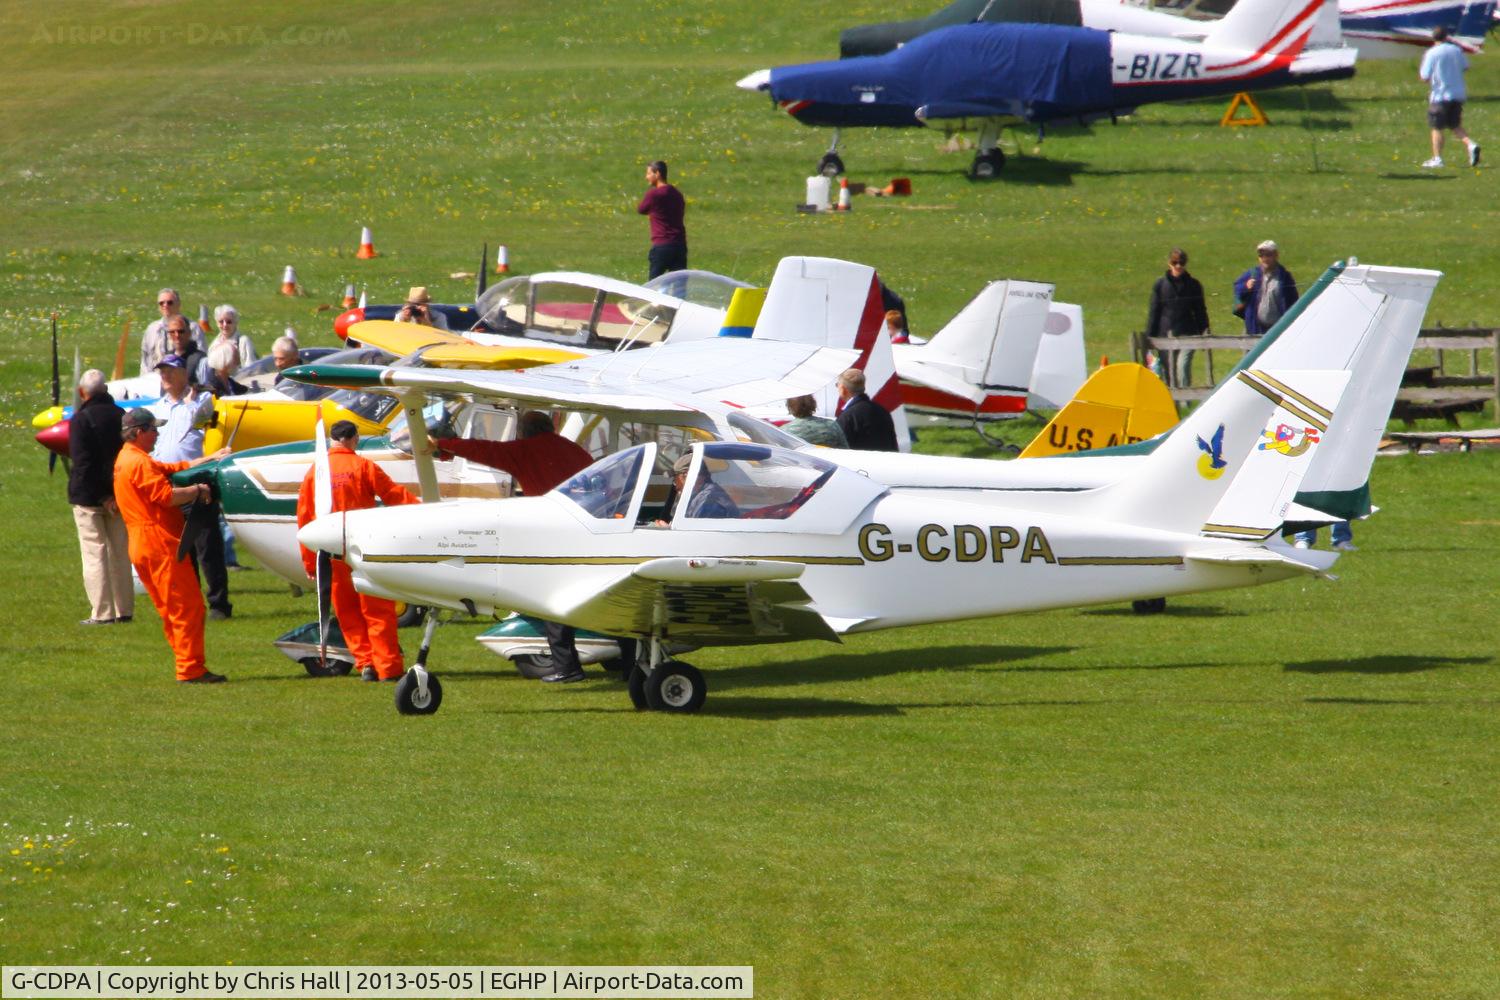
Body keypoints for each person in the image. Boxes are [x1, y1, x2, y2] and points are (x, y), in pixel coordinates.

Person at [434, 411, 599, 683]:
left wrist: (444, 444)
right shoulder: (575, 450)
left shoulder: (524, 450)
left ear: (523, 432)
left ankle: (568, 668)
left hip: (550, 534)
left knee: (552, 601)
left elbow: (485, 450)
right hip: (585, 531)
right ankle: (625, 658)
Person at [296, 421, 420, 682]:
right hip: (363, 549)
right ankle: (388, 667)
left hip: (332, 552)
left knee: (348, 612)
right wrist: (426, 511)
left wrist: (310, 564)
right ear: (353, 439)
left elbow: (305, 520)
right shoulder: (364, 466)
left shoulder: (314, 474)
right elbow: (394, 495)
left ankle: (365, 663)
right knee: (378, 610)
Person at [114, 408, 229, 683]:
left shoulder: (129, 459)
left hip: (142, 542)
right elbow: (166, 497)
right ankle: (190, 668)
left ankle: (187, 663)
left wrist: (210, 458)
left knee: (170, 610)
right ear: (139, 432)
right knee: (187, 607)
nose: (158, 433)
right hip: (159, 542)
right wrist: (198, 491)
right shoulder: (139, 463)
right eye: (154, 429)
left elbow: (172, 469)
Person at [149, 353, 233, 619]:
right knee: (180, 548)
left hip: (196, 478)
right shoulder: (157, 408)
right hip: (167, 481)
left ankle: (219, 604)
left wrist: (189, 404)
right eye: (162, 371)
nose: (165, 375)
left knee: (207, 544)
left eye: (170, 371)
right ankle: (192, 599)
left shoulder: (202, 402)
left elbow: (201, 424)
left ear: (184, 373)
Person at [69, 370, 134, 626]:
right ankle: (124, 609)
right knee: (120, 552)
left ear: (83, 392)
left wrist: (101, 495)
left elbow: (83, 465)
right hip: (119, 494)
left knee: (94, 553)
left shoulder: (81, 420)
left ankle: (102, 612)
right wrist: (114, 494)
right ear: (105, 389)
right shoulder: (121, 416)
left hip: (90, 497)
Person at [1144, 248, 1210, 387]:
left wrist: (1204, 330)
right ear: (1169, 263)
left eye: (1182, 262)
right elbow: (1154, 311)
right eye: (1175, 263)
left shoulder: (1194, 285)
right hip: (1165, 333)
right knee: (1169, 370)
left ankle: (1186, 400)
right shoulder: (1160, 285)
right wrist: (1149, 336)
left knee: (1183, 365)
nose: (1178, 266)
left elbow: (1200, 311)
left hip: (1188, 332)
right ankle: (1173, 403)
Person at [1420, 26, 1480, 168]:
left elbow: (1424, 76)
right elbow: (1465, 66)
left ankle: (1437, 159)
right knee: (1455, 124)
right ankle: (1471, 145)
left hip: (1440, 95)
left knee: (1437, 127)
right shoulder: (1456, 50)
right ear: (1446, 36)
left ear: (1433, 38)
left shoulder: (1432, 53)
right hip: (1457, 93)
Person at [1233, 241, 1298, 337]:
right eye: (1261, 255)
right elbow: (1237, 289)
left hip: (1279, 330)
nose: (1264, 259)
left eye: (1268, 255)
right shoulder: (1253, 273)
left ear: (1276, 255)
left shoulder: (1285, 277)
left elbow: (1293, 302)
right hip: (1255, 329)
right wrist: (1246, 287)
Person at [637, 160, 687, 280]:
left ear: (657, 173)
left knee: (654, 284)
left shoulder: (654, 194)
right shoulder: (677, 194)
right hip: (679, 245)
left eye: (649, 173)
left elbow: (641, 209)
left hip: (662, 245)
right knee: (679, 285)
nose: (646, 177)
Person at [139, 288, 204, 375]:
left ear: (178, 304)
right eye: (161, 303)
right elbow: (145, 359)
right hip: (154, 379)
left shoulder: (192, 328)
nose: (165, 305)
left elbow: (201, 357)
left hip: (182, 379)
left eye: (169, 302)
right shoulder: (152, 329)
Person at [835, 368, 899, 452]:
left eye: (837, 385)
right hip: (886, 463)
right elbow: (893, 445)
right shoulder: (882, 411)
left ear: (843, 389)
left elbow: (839, 450)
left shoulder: (847, 417)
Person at [782, 395, 848, 448]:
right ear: (813, 404)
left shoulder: (783, 431)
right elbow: (845, 451)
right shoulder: (832, 425)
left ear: (789, 407)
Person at [163, 315, 211, 386]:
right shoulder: (167, 358)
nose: (177, 335)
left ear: (189, 333)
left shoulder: (200, 359)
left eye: (181, 331)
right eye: (172, 332)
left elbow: (208, 388)